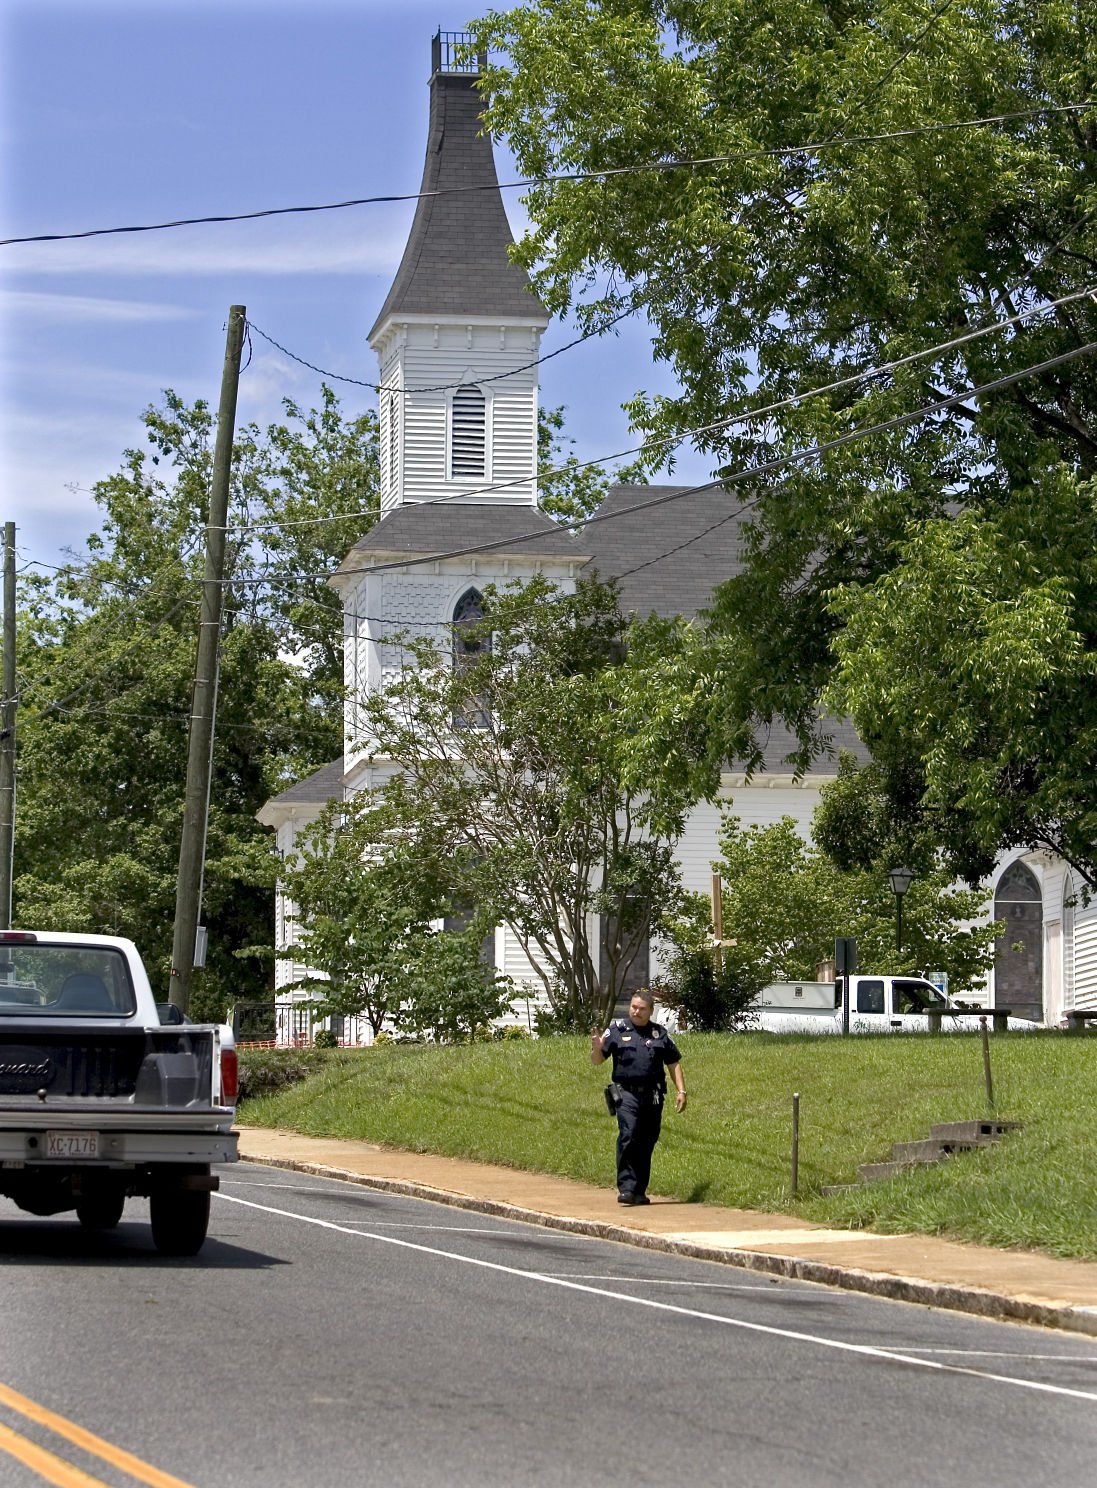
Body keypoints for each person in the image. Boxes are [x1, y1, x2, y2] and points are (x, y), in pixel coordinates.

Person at [591, 990, 687, 1205]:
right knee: (629, 1133)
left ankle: (639, 1190)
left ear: (651, 1011)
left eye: (642, 1009)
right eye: (634, 1007)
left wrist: (682, 1091)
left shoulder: (659, 1034)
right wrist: (596, 1049)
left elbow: (673, 1063)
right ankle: (626, 1187)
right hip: (626, 1093)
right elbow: (598, 1061)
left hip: (653, 1095)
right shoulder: (616, 1030)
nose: (636, 1011)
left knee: (647, 1141)